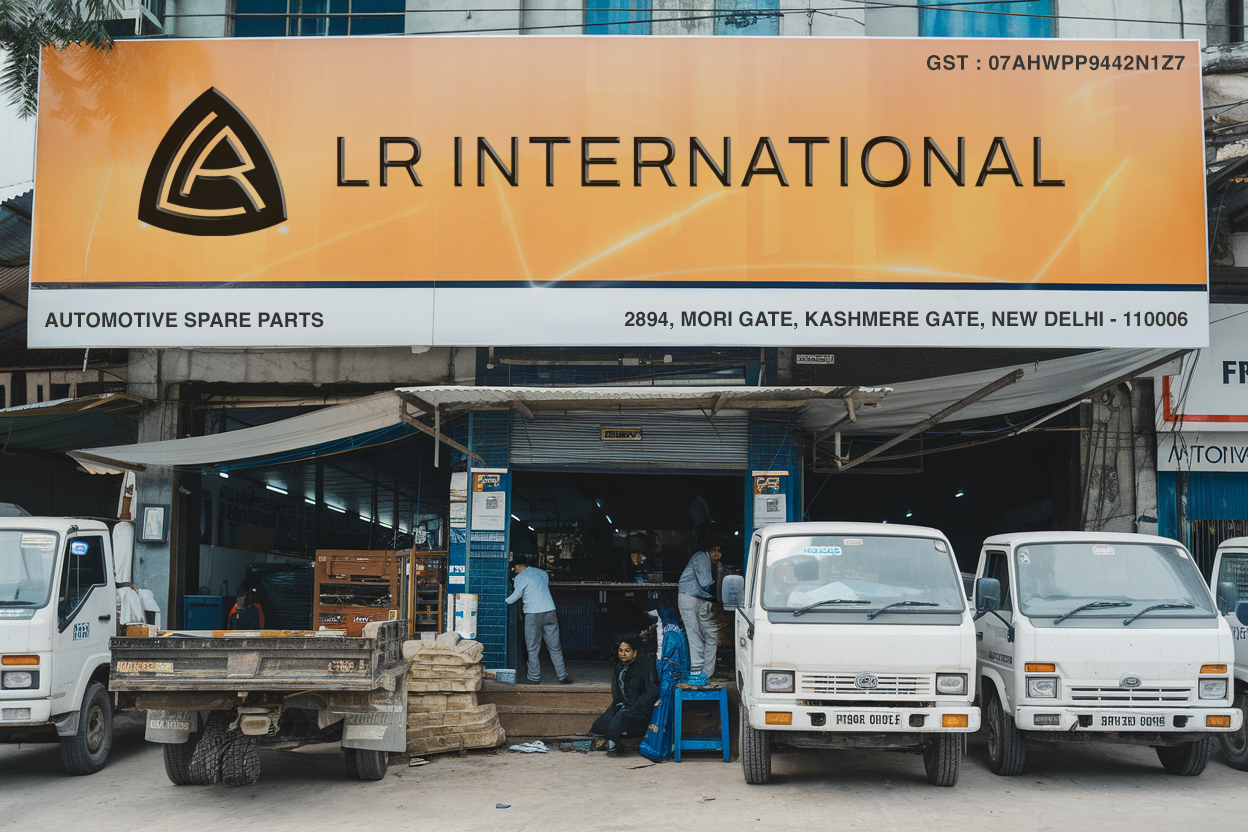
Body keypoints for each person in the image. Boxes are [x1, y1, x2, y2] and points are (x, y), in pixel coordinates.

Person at [505, 554, 572, 685]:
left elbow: (516, 595)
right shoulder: (542, 573)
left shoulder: (521, 577)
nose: (515, 570)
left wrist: (503, 602)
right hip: (550, 611)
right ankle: (562, 676)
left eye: (515, 567)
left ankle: (534, 678)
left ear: (519, 566)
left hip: (533, 614)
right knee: (555, 647)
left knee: (532, 648)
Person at [591, 637, 660, 756]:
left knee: (616, 725)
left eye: (627, 650)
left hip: (639, 710)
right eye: (620, 650)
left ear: (635, 653)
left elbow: (652, 691)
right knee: (598, 727)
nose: (623, 654)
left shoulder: (643, 666)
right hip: (622, 707)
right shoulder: (620, 667)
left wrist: (634, 709)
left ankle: (615, 745)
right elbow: (618, 696)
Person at [678, 542, 722, 684]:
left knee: (711, 635)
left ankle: (707, 673)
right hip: (689, 598)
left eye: (719, 551)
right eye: (713, 550)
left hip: (702, 601)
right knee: (694, 635)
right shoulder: (701, 557)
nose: (716, 554)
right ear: (707, 550)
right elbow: (707, 585)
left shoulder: (715, 564)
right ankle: (696, 672)